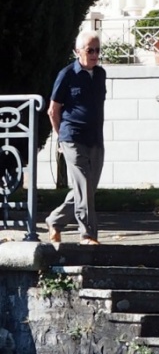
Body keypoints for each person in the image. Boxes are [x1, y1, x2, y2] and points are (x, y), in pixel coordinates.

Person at [46, 30, 106, 245]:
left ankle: (55, 220)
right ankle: (88, 235)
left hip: (96, 139)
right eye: (90, 50)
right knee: (83, 185)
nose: (95, 54)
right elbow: (53, 110)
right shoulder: (67, 74)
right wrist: (60, 137)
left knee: (87, 188)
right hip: (72, 137)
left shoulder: (100, 74)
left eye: (98, 50)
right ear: (78, 51)